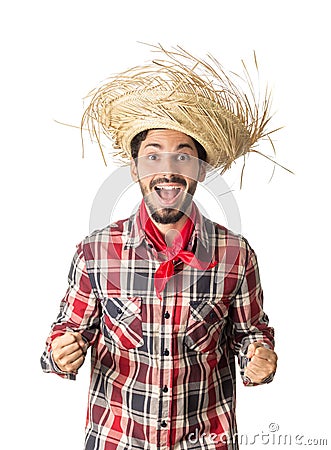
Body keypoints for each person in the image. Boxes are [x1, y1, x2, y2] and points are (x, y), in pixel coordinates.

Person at [41, 45, 278, 450]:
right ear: (134, 169)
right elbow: (64, 334)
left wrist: (259, 358)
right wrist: (59, 353)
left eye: (183, 156)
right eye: (153, 156)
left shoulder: (237, 255)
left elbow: (249, 334)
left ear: (201, 170)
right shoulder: (94, 252)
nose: (167, 170)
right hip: (117, 439)